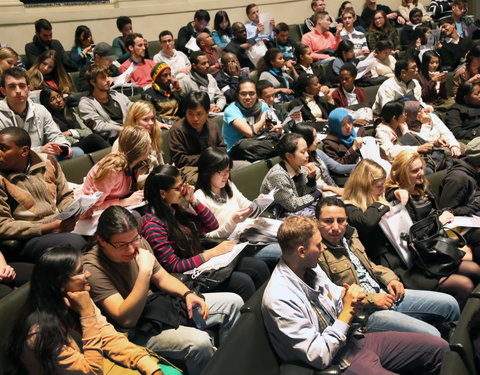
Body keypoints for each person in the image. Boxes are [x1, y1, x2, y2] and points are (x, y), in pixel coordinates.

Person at [262, 215, 448, 374]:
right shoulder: (280, 298)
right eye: (318, 245)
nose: (322, 249)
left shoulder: (308, 267)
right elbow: (319, 355)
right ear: (301, 252)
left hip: (352, 339)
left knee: (440, 349)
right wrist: (348, 310)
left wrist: (350, 296)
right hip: (335, 361)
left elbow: (335, 295)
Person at [83, 205, 243, 375]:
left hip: (154, 309)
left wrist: (188, 294)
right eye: (121, 245)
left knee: (234, 302)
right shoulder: (92, 267)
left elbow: (162, 277)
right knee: (199, 342)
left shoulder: (138, 243)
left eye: (134, 240)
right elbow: (126, 319)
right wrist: (144, 272)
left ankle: (230, 367)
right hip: (131, 331)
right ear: (102, 241)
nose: (131, 249)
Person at [343, 158, 478, 308]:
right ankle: (456, 327)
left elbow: (392, 196)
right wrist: (382, 201)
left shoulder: (381, 198)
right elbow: (366, 222)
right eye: (379, 187)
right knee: (463, 285)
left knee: (474, 269)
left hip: (412, 256)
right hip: (394, 268)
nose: (382, 191)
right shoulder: (350, 208)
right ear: (365, 187)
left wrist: (396, 191)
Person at [7, 245, 164, 374]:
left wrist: (148, 366)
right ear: (60, 284)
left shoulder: (80, 297)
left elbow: (109, 338)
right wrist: (86, 314)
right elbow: (92, 371)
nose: (88, 274)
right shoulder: (40, 333)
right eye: (80, 271)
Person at [317, 196, 459, 336]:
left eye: (341, 220)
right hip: (364, 313)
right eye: (328, 221)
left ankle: (450, 348)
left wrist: (391, 279)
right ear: (317, 222)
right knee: (432, 334)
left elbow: (370, 266)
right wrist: (372, 298)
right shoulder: (317, 252)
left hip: (384, 294)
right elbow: (332, 296)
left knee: (450, 304)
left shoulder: (349, 236)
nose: (335, 227)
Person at [142, 164, 269, 302]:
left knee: (258, 267)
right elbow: (174, 266)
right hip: (188, 276)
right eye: (178, 188)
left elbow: (212, 225)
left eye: (183, 184)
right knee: (243, 282)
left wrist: (193, 201)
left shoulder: (174, 207)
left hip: (201, 261)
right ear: (162, 193)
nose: (184, 189)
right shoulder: (153, 225)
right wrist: (212, 253)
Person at [0, 127, 85, 262]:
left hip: (58, 223)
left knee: (105, 229)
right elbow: (3, 226)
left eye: (3, 148)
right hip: (28, 237)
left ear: (24, 151)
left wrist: (71, 214)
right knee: (74, 242)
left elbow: (65, 196)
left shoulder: (48, 161)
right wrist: (48, 227)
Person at [194, 147, 281, 267]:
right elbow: (208, 237)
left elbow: (245, 205)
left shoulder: (228, 185)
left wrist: (259, 202)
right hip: (232, 246)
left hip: (246, 232)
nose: (226, 176)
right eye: (221, 172)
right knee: (282, 250)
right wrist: (233, 221)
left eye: (228, 171)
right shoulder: (199, 198)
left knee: (287, 237)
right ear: (208, 171)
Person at [0, 67, 80, 160]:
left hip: (41, 156)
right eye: (12, 86)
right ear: (3, 91)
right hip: (13, 161)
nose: (18, 91)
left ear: (28, 89)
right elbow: (4, 151)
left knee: (77, 152)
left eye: (22, 86)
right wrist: (39, 150)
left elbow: (55, 134)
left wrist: (63, 145)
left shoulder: (40, 110)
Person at [81, 126, 149, 212]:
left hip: (118, 202)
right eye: (148, 144)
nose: (151, 147)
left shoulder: (135, 163)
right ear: (140, 150)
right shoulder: (111, 170)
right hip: (94, 212)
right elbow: (93, 207)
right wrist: (125, 201)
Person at [260, 133, 324, 218]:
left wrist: (311, 178)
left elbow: (304, 194)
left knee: (330, 207)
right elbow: (292, 205)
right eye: (302, 152)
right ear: (289, 156)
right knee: (320, 216)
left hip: (298, 207)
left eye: (307, 151)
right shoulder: (278, 175)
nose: (307, 155)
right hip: (277, 212)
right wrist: (315, 194)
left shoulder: (301, 167)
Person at [169, 91, 227, 184]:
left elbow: (222, 148)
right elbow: (180, 160)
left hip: (214, 166)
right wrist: (209, 157)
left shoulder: (213, 125)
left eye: (199, 114)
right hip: (189, 171)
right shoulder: (177, 130)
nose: (195, 118)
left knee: (241, 167)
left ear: (208, 112)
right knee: (211, 179)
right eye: (190, 114)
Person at [40, 87, 110, 154]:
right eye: (52, 99)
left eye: (59, 96)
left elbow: (88, 132)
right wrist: (79, 137)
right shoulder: (49, 119)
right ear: (47, 103)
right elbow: (60, 138)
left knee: (94, 139)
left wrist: (71, 132)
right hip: (69, 148)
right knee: (94, 139)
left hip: (82, 142)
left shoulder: (71, 111)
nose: (58, 100)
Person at [439, 138, 480, 250]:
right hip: (460, 225)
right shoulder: (458, 179)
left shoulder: (475, 171)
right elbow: (447, 211)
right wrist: (477, 204)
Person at [291, 123, 350, 195]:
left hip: (332, 190)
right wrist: (330, 188)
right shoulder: (296, 160)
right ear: (306, 139)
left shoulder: (316, 152)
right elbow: (303, 186)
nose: (318, 140)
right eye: (314, 137)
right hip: (317, 196)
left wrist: (360, 165)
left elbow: (338, 168)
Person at [79, 64, 132, 140]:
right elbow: (97, 125)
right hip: (116, 136)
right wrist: (122, 129)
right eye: (103, 77)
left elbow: (133, 108)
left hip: (132, 129)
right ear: (93, 82)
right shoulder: (86, 103)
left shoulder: (116, 94)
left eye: (107, 76)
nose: (108, 80)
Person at [112, 100, 165, 171]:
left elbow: (161, 164)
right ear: (134, 121)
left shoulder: (153, 134)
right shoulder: (120, 143)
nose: (151, 123)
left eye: (152, 119)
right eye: (145, 119)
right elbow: (121, 173)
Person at [222, 78, 268, 155]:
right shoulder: (231, 110)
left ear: (257, 95)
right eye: (243, 94)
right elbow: (250, 132)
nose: (248, 97)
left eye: (251, 93)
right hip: (234, 152)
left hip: (256, 145)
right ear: (237, 95)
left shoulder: (263, 106)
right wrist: (263, 119)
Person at [142, 61, 184, 126]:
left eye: (170, 74)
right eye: (165, 75)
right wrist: (176, 123)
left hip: (178, 123)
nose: (169, 78)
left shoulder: (173, 92)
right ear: (156, 78)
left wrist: (178, 89)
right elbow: (154, 117)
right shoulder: (148, 94)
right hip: (163, 126)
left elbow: (185, 109)